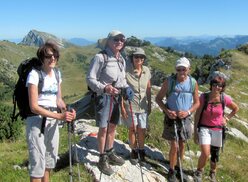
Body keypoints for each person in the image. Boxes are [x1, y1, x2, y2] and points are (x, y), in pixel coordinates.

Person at [26, 41, 76, 182]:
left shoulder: (57, 74)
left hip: (53, 122)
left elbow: (58, 99)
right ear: (42, 58)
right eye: (48, 56)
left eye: (55, 55)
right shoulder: (34, 75)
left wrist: (68, 111)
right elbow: (34, 106)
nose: (52, 59)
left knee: (49, 162)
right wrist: (59, 116)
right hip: (37, 122)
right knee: (37, 165)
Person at [86, 30, 134, 175]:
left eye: (122, 39)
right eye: (116, 39)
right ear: (109, 41)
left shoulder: (121, 59)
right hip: (104, 97)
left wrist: (126, 88)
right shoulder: (100, 57)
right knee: (104, 128)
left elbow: (122, 79)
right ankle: (102, 158)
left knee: (112, 126)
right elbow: (90, 78)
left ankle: (110, 151)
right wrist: (105, 87)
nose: (119, 42)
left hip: (117, 97)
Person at [156, 57, 200, 181]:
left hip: (185, 118)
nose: (181, 71)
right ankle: (171, 170)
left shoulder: (193, 83)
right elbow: (158, 99)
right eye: (179, 69)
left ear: (189, 69)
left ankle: (179, 168)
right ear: (176, 69)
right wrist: (167, 111)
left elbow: (197, 103)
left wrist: (188, 112)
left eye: (184, 69)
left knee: (182, 145)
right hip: (171, 118)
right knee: (174, 145)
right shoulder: (169, 81)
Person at [194, 73, 239, 182]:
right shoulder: (204, 97)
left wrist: (226, 118)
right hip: (204, 128)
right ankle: (199, 171)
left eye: (220, 85)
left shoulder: (224, 98)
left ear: (222, 88)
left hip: (218, 129)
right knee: (205, 152)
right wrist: (195, 131)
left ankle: (212, 173)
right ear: (211, 85)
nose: (217, 87)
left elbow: (236, 108)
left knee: (215, 154)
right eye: (215, 84)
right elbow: (198, 113)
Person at [121, 47, 151, 165]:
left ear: (144, 59)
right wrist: (122, 107)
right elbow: (121, 88)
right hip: (130, 105)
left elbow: (148, 88)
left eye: (141, 57)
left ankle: (141, 150)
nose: (139, 59)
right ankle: (133, 151)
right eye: (136, 57)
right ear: (132, 58)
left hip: (143, 105)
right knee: (133, 128)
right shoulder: (126, 71)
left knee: (142, 129)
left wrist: (149, 104)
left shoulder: (147, 71)